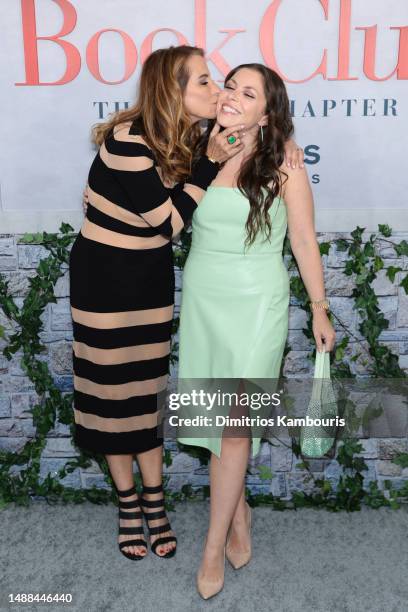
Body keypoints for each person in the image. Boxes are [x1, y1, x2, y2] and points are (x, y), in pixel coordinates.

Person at [76, 45, 304, 562]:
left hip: (152, 280)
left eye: (216, 81)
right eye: (205, 81)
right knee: (115, 395)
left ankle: (156, 503)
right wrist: (209, 163)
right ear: (173, 91)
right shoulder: (129, 141)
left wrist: (281, 138)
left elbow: (255, 131)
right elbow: (170, 222)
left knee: (148, 391)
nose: (218, 91)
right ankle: (130, 505)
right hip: (103, 281)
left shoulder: (189, 135)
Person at [176, 63, 336, 598]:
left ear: (267, 113)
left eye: (249, 94)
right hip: (204, 299)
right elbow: (153, 203)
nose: (231, 97)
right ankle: (237, 509)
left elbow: (305, 241)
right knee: (211, 416)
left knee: (234, 423)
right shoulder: (194, 153)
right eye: (230, 86)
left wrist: (319, 308)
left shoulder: (284, 164)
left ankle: (211, 543)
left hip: (257, 304)